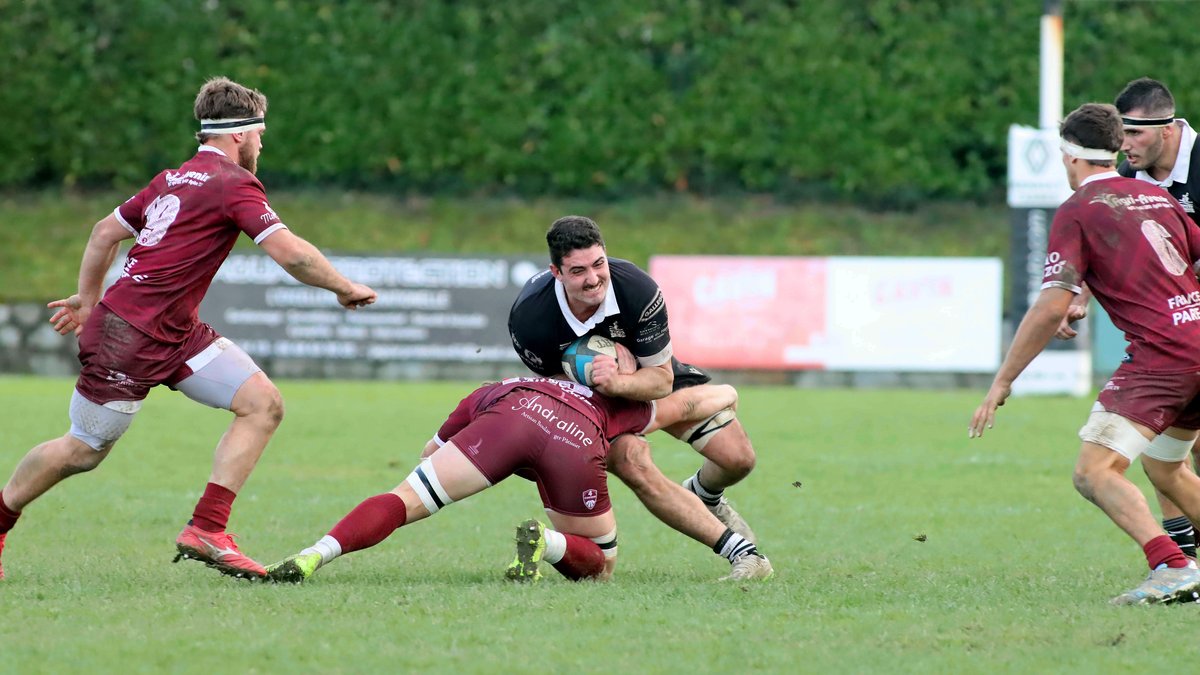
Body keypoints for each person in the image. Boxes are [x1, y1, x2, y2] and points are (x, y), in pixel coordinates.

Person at [0, 77, 377, 581]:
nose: (262, 144)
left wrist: (89, 301)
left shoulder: (171, 178)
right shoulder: (233, 183)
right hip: (127, 337)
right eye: (261, 134)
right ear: (240, 134)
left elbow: (103, 232)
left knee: (262, 405)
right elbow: (292, 253)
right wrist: (343, 286)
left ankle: (208, 528)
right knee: (83, 450)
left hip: (175, 332)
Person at [970, 102, 1200, 605]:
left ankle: (1173, 566)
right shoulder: (1155, 196)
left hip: (1164, 358)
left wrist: (1004, 379)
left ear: (1070, 157)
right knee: (1166, 468)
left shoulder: (1077, 210)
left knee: (1093, 472)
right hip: (1196, 341)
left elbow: (1051, 303)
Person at [266, 372, 768, 583]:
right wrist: (728, 392)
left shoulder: (497, 385)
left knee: (404, 499)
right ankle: (549, 545)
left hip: (504, 420)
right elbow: (692, 401)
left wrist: (495, 463)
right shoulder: (618, 403)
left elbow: (429, 452)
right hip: (574, 440)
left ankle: (317, 553)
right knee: (601, 563)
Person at [507, 217, 768, 571]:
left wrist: (619, 382)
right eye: (579, 271)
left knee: (739, 458)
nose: (594, 278)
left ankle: (704, 493)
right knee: (633, 461)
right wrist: (601, 389)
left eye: (599, 264)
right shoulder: (530, 317)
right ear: (557, 272)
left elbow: (661, 380)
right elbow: (556, 390)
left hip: (646, 378)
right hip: (588, 401)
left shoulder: (637, 290)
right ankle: (741, 554)